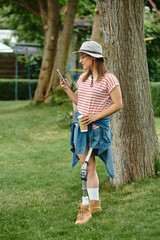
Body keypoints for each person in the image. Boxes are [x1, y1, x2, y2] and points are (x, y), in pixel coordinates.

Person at [59, 41, 122, 225]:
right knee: (89, 165)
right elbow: (81, 102)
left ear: (93, 58)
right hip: (80, 127)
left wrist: (94, 117)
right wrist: (66, 89)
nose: (80, 60)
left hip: (96, 128)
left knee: (86, 167)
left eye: (83, 56)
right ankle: (95, 204)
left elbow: (118, 104)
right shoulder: (83, 78)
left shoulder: (110, 79)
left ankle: (86, 206)